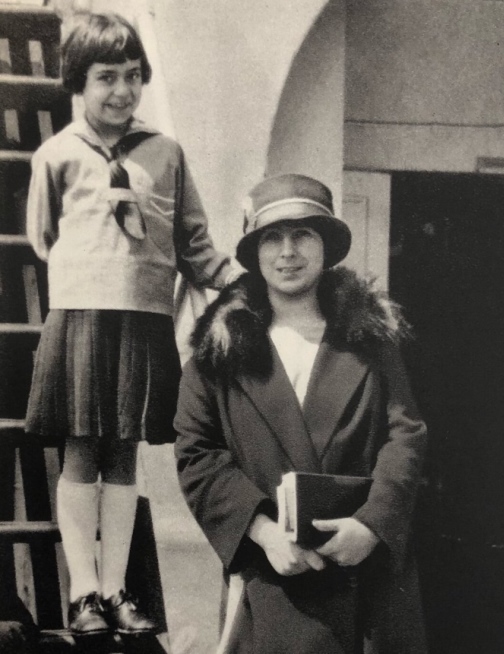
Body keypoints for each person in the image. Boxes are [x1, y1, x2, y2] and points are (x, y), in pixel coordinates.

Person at [24, 12, 237, 637]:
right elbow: (42, 237)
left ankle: (116, 589)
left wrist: (237, 280)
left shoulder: (165, 154)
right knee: (80, 452)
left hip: (143, 321)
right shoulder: (55, 156)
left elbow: (194, 241)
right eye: (106, 77)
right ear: (77, 82)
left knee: (123, 454)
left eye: (133, 76)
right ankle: (82, 592)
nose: (122, 90)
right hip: (83, 315)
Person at [174, 173, 428, 653]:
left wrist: (372, 525)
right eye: (273, 237)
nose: (287, 251)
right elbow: (197, 452)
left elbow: (406, 435)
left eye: (303, 234)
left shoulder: (371, 340)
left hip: (362, 574)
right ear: (255, 253)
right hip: (269, 575)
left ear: (327, 246)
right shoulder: (219, 351)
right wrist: (264, 534)